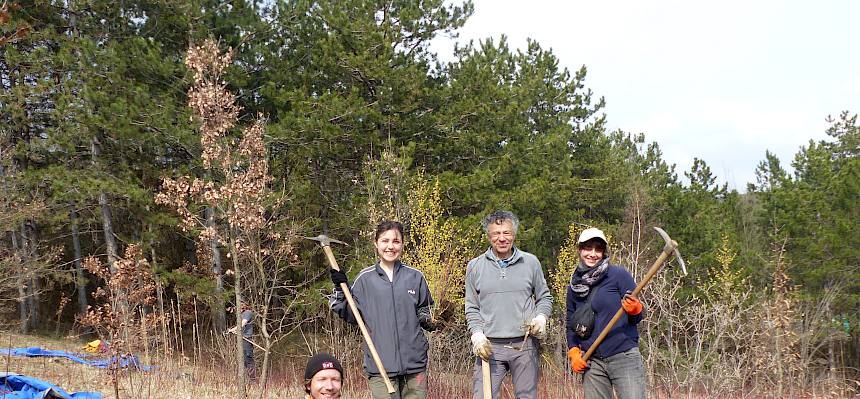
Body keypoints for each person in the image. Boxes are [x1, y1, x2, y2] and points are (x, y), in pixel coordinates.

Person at [329, 220, 435, 399]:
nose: (390, 246)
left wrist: (432, 320)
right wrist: (340, 288)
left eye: (396, 241)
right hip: (380, 367)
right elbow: (348, 312)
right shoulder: (365, 279)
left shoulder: (415, 277)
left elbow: (425, 310)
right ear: (376, 243)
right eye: (385, 241)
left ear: (402, 244)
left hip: (415, 366)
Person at [465, 210, 553, 399]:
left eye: (507, 232)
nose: (502, 238)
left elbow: (545, 297)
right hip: (490, 348)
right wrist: (477, 334)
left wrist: (541, 318)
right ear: (489, 236)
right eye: (496, 233)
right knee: (482, 396)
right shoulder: (475, 266)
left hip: (524, 346)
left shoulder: (530, 262)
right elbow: (472, 307)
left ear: (514, 234)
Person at [565, 227, 646, 399]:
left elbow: (637, 317)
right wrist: (573, 351)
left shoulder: (618, 275)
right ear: (580, 250)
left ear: (604, 252)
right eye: (588, 248)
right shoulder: (574, 286)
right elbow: (570, 323)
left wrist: (635, 309)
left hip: (623, 356)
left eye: (598, 249)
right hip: (592, 362)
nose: (593, 254)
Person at [227, 301, 256, 382]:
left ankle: (252, 380)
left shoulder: (248, 313)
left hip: (247, 339)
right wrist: (234, 331)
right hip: (242, 339)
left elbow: (242, 324)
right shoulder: (242, 314)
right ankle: (245, 379)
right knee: (242, 360)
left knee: (248, 360)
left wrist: (232, 330)